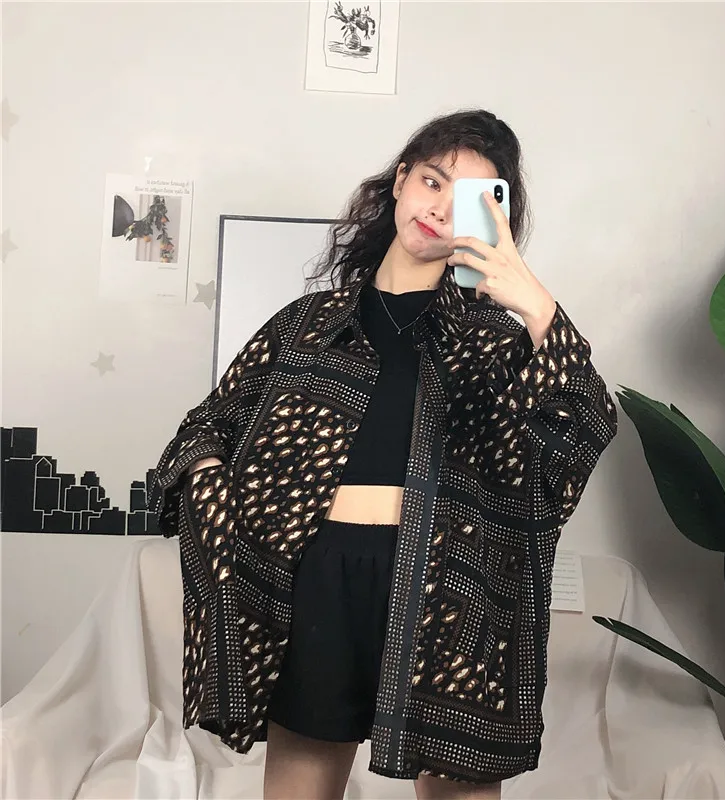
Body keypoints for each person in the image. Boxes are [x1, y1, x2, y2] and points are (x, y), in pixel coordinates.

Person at [147, 109, 618, 800]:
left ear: (490, 218)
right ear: (400, 181)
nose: (438, 207)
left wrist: (537, 307)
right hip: (320, 577)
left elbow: (580, 430)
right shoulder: (307, 325)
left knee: (458, 792)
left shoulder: (495, 341)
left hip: (449, 587)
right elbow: (207, 425)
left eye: (465, 198)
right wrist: (217, 490)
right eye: (432, 180)